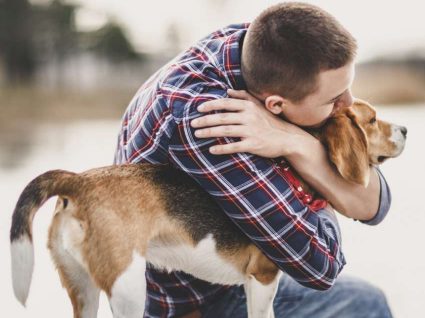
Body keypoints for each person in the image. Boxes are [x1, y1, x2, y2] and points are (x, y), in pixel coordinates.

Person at [114, 2, 392, 317]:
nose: (349, 105)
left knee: (367, 297)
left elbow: (375, 205)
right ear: (274, 104)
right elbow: (321, 267)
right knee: (366, 306)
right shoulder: (212, 122)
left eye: (348, 88)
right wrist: (319, 177)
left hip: (244, 273)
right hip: (197, 303)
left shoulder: (258, 46)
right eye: (333, 100)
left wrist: (297, 143)